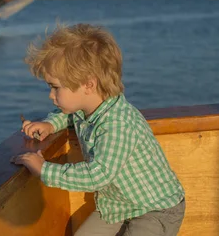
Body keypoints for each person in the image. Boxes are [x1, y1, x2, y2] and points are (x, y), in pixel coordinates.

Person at [11, 23, 185, 236]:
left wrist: (44, 169)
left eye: (55, 87)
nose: (50, 95)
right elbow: (70, 113)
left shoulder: (118, 124)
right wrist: (50, 124)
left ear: (88, 85)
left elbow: (98, 175)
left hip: (156, 208)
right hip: (117, 206)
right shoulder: (88, 108)